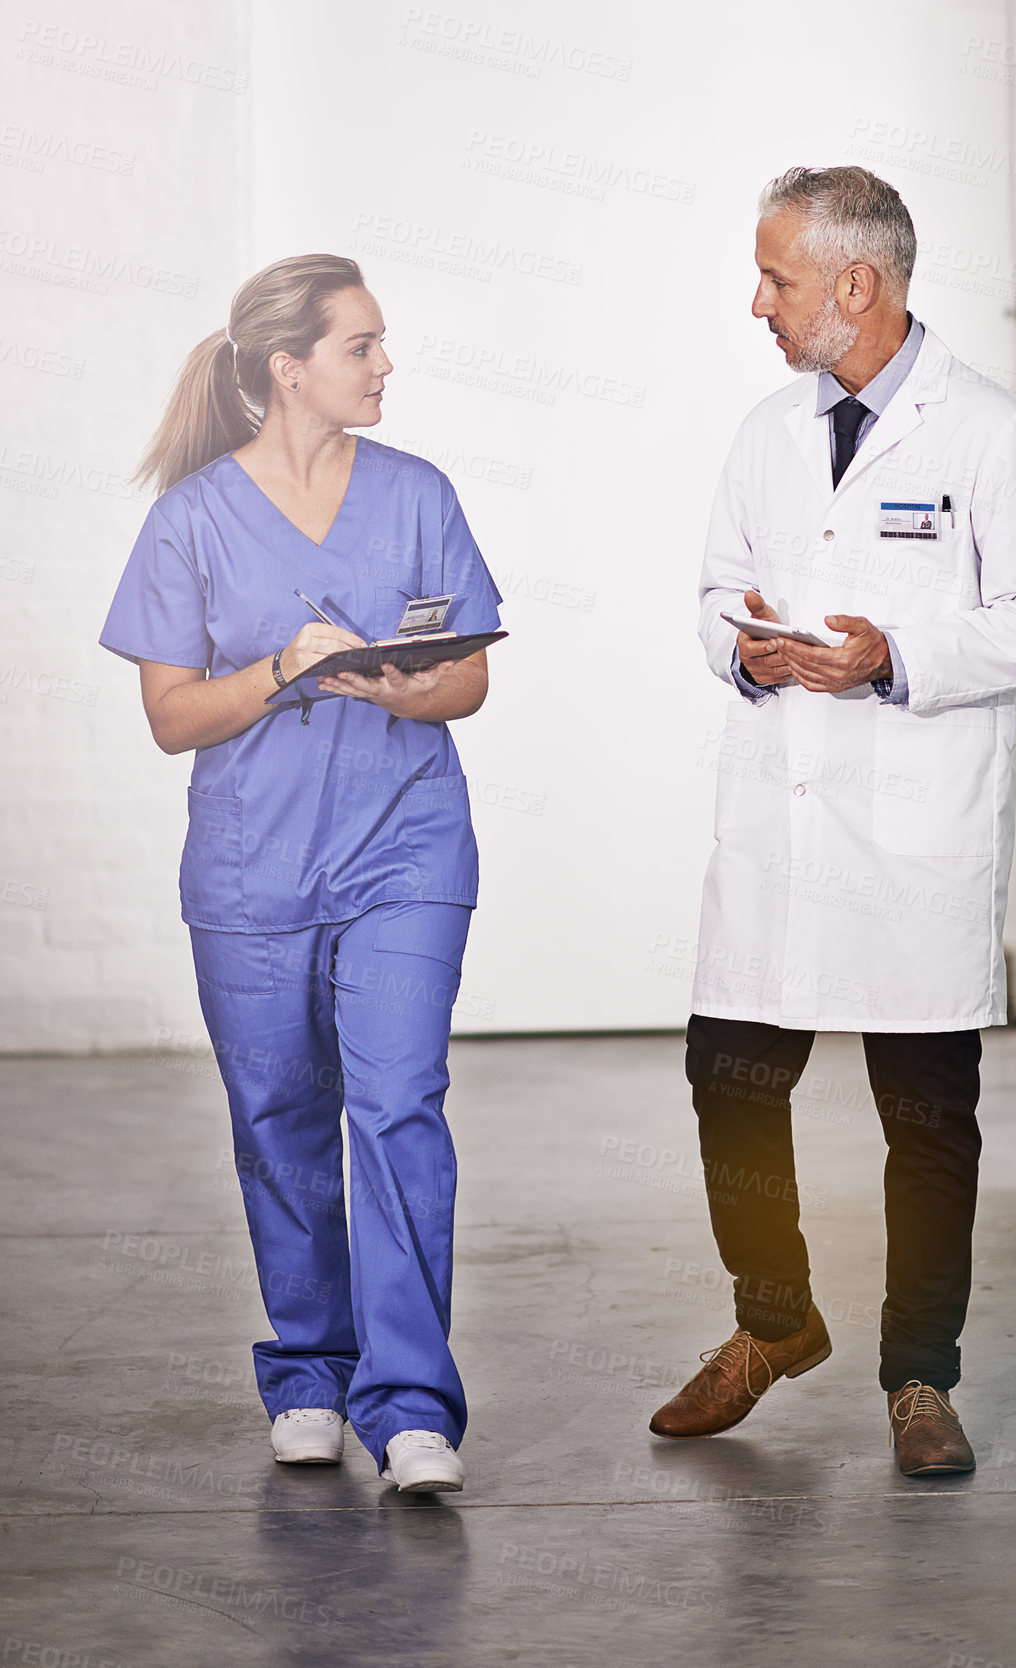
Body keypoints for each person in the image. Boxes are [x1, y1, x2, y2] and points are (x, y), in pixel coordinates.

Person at [649, 167, 1016, 1474]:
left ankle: (919, 1381)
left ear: (856, 285)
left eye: (776, 278)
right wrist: (748, 650)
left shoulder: (991, 438)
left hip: (912, 839)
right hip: (780, 828)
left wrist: (893, 653)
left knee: (925, 1118)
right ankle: (773, 1322)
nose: (756, 303)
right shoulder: (762, 433)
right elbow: (719, 588)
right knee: (726, 1077)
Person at [100, 254, 502, 1494]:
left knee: (396, 1108)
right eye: (363, 347)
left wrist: (397, 682)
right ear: (292, 370)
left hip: (405, 847)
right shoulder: (190, 521)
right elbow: (173, 717)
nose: (386, 367)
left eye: (381, 346)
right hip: (251, 871)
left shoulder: (418, 493)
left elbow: (469, 678)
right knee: (278, 1126)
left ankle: (412, 1403)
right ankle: (311, 1378)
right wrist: (283, 670)